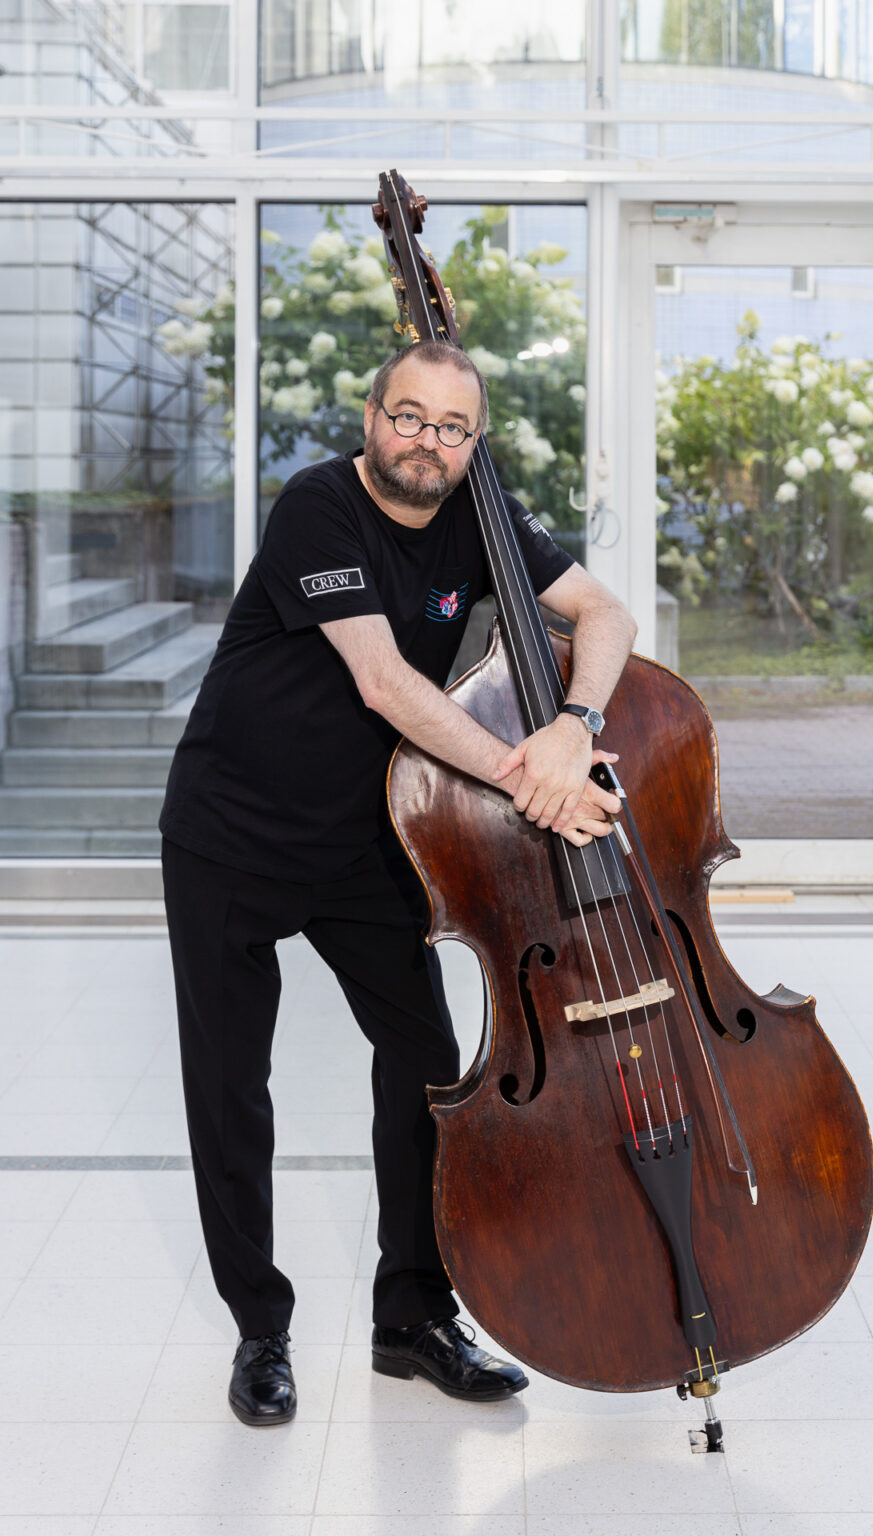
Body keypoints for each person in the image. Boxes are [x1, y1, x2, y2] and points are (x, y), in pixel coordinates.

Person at [159, 339, 638, 1426]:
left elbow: (607, 615)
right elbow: (382, 682)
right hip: (232, 831)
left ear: (476, 442)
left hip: (368, 843)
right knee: (229, 1086)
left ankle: (412, 1319)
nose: (427, 442)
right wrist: (533, 779)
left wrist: (576, 726)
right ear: (372, 416)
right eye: (409, 416)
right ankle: (260, 1329)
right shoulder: (316, 505)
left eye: (453, 427)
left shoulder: (484, 516)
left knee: (424, 1069)